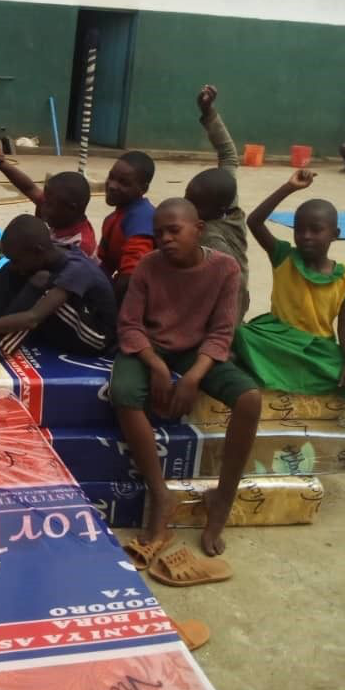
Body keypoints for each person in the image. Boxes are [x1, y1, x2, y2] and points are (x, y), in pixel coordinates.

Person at [109, 199, 261, 557]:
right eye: (159, 232)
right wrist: (157, 366)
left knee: (250, 398)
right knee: (123, 392)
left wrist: (193, 377)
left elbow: (222, 332)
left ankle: (223, 497)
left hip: (198, 350)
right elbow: (130, 324)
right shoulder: (148, 266)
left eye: (174, 230)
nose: (165, 239)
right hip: (150, 346)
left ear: (199, 230)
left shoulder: (225, 268)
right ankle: (161, 495)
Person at [234, 170, 345, 402]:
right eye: (299, 230)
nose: (306, 236)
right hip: (277, 340)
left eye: (316, 229)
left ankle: (290, 371)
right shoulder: (283, 256)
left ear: (335, 234)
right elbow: (254, 221)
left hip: (316, 349)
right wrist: (289, 187)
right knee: (238, 334)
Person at [0, 214, 117, 362]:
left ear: (38, 251)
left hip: (95, 337)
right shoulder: (46, 253)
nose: (15, 265)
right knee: (10, 270)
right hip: (65, 325)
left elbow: (32, 318)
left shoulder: (76, 269)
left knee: (40, 283)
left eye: (17, 260)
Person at [185, 85, 250, 318]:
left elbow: (237, 282)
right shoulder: (226, 195)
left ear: (214, 210)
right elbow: (228, 153)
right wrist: (209, 111)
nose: (188, 207)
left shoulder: (211, 236)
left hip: (227, 308)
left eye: (195, 205)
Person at [0, 144, 96, 258]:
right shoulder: (58, 212)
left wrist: (6, 247)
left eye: (49, 204)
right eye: (45, 201)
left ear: (71, 208)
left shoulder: (81, 245)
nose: (43, 206)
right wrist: (2, 164)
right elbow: (29, 188)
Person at [98, 151, 156, 302]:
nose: (112, 185)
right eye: (111, 177)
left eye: (123, 183)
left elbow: (132, 276)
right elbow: (105, 265)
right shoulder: (114, 218)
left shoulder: (141, 218)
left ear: (143, 189)